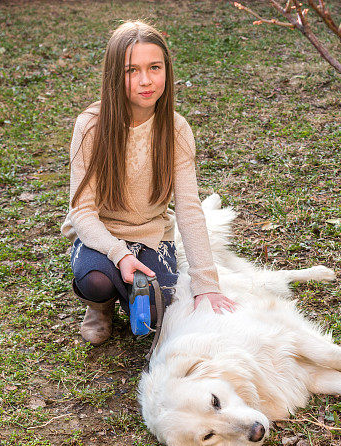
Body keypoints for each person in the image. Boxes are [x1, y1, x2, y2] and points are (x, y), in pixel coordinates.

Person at [62, 20, 237, 345]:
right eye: (132, 70)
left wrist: (206, 284)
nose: (146, 80)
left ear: (167, 71)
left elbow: (187, 208)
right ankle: (98, 308)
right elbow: (82, 212)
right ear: (115, 74)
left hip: (152, 236)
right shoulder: (90, 126)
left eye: (155, 67)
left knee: (158, 314)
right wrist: (120, 255)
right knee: (97, 280)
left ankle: (131, 297)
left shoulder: (176, 129)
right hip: (100, 235)